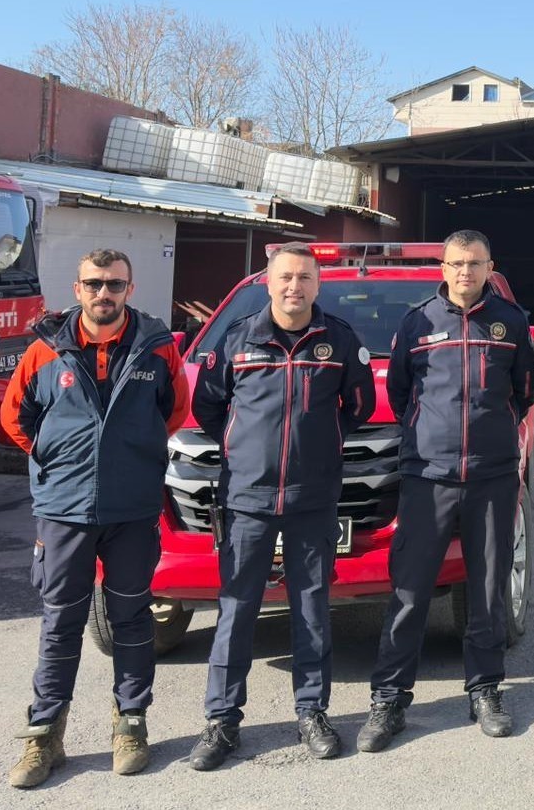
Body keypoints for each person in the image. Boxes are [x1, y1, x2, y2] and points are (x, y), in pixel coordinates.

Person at [0, 249, 189, 787]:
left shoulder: (157, 349)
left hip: (132, 510)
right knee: (61, 622)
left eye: (114, 284)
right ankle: (44, 734)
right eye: (94, 283)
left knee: (131, 620)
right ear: (78, 288)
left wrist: (130, 457)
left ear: (130, 289)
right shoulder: (44, 350)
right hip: (64, 511)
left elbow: (174, 411)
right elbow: (15, 418)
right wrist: (58, 461)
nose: (104, 293)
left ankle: (130, 724)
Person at [187, 241, 375, 769]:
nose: (295, 286)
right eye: (286, 277)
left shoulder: (339, 340)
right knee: (236, 607)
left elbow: (359, 406)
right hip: (247, 497)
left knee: (311, 605)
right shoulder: (237, 338)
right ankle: (222, 720)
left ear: (318, 284)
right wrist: (243, 447)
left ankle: (312, 712)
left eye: (305, 277)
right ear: (269, 282)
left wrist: (322, 443)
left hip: (313, 498)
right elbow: (208, 406)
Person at [357, 230, 534, 752]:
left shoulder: (511, 322)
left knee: (487, 589)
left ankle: (485, 690)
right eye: (456, 263)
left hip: (491, 475)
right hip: (428, 476)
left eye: (475, 263)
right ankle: (389, 699)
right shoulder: (417, 322)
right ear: (443, 268)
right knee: (410, 590)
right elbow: (400, 393)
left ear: (489, 267)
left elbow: (524, 391)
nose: (465, 272)